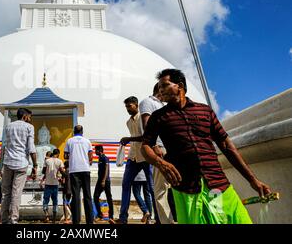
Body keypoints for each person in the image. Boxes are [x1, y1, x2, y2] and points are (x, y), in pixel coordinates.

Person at [140, 68, 272, 224]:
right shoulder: (158, 117)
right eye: (159, 87)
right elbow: (145, 147)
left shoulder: (205, 111)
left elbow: (226, 146)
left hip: (218, 185)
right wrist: (161, 163)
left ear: (180, 86)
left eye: (165, 85)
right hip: (186, 189)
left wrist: (253, 181)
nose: (160, 90)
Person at [115, 96, 154, 224]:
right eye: (126, 107)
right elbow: (133, 138)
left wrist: (129, 139)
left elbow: (146, 137)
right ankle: (122, 218)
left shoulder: (142, 118)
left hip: (145, 157)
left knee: (151, 188)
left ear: (136, 105)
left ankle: (156, 217)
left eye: (130, 106)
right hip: (132, 157)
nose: (128, 109)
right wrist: (128, 140)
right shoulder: (128, 122)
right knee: (125, 185)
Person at [139, 84, 174, 224]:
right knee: (161, 189)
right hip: (159, 148)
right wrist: (154, 145)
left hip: (171, 148)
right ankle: (166, 222)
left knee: (174, 185)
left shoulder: (163, 105)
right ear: (160, 90)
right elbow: (147, 125)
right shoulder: (148, 102)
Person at [0, 108, 37, 224]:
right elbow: (31, 148)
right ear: (25, 116)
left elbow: (4, 146)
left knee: (6, 193)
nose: (30, 119)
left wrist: (1, 164)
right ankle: (13, 219)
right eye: (29, 117)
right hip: (21, 163)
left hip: (8, 162)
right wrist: (35, 165)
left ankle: (4, 219)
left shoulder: (8, 126)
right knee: (16, 193)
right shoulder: (29, 127)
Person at [64, 125, 94, 224]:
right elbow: (90, 156)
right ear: (82, 131)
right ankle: (90, 221)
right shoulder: (87, 141)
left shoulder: (69, 141)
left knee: (76, 196)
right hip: (85, 170)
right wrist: (88, 161)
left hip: (74, 171)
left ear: (74, 131)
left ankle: (76, 220)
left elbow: (65, 155)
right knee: (87, 195)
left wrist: (72, 156)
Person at [41, 148, 65, 223]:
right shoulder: (59, 161)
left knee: (45, 200)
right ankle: (54, 219)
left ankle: (47, 216)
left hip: (48, 184)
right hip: (55, 184)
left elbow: (43, 171)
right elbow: (62, 171)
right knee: (55, 201)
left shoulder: (47, 161)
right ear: (58, 154)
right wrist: (64, 177)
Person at [93, 145, 114, 223]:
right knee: (95, 197)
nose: (95, 152)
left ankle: (111, 216)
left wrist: (104, 180)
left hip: (105, 181)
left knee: (109, 198)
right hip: (100, 180)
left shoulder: (105, 158)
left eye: (96, 150)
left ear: (99, 150)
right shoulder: (99, 158)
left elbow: (106, 169)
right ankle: (100, 215)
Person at [60, 160, 72, 224]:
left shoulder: (65, 172)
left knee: (65, 203)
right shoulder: (71, 172)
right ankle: (74, 215)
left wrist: (60, 180)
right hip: (70, 190)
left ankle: (66, 219)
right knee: (68, 203)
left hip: (66, 189)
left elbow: (63, 182)